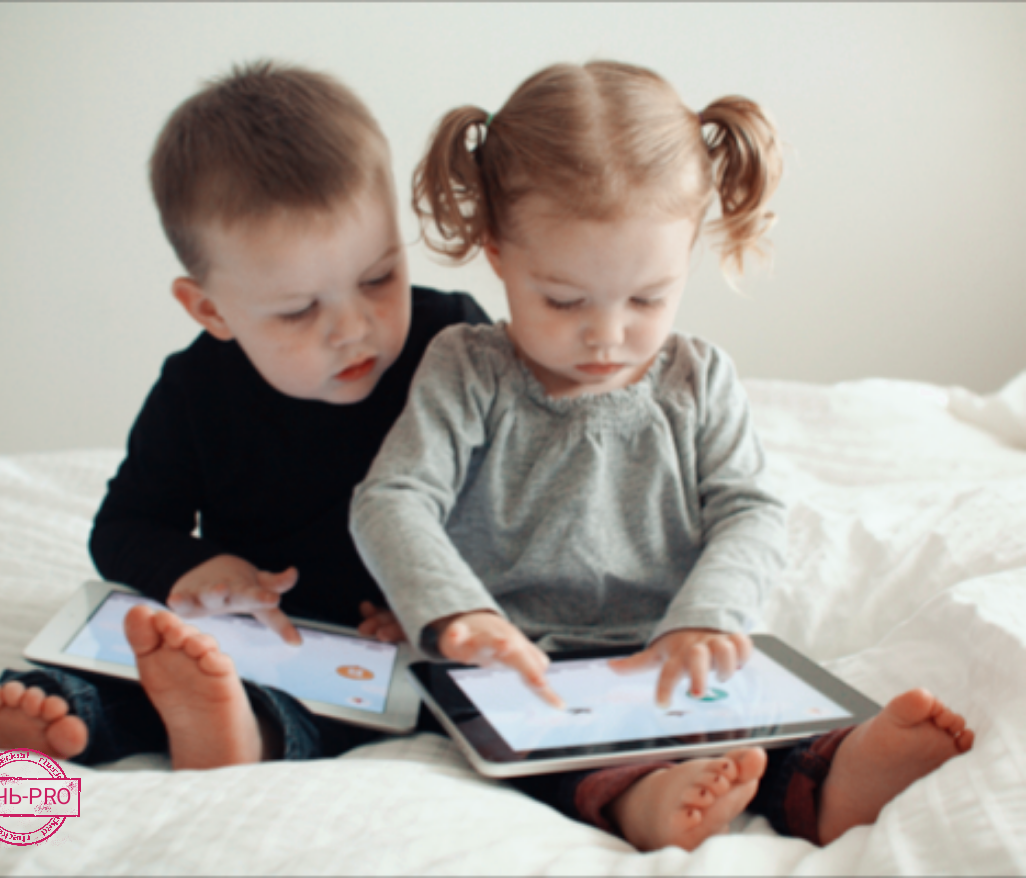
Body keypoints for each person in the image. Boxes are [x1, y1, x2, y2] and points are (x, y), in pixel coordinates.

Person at [349, 60, 974, 851]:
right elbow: (392, 498)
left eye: (648, 298)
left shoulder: (698, 378)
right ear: (497, 252)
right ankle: (644, 800)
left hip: (673, 644)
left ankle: (834, 777)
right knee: (541, 740)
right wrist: (457, 614)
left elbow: (750, 511)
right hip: (527, 655)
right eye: (564, 300)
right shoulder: (468, 370)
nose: (608, 334)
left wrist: (706, 618)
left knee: (759, 716)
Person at [0, 60, 489, 771]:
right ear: (210, 310)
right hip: (251, 631)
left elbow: (525, 498)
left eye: (379, 277)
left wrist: (442, 599)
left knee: (396, 698)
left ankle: (243, 732)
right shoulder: (195, 389)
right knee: (150, 656)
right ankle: (63, 713)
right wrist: (201, 567)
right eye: (298, 310)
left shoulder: (454, 344)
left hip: (391, 646)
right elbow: (124, 527)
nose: (353, 329)